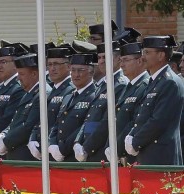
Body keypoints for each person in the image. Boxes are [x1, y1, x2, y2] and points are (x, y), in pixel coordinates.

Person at [125, 35, 184, 165]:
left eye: (147, 52)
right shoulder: (154, 81)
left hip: (162, 156)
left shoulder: (169, 82)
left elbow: (159, 120)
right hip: (148, 153)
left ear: (161, 55)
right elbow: (143, 115)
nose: (143, 57)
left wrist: (136, 142)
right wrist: (132, 134)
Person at [73, 41, 129, 162]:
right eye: (99, 57)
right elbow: (89, 117)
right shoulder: (102, 84)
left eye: (106, 57)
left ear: (119, 59)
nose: (102, 61)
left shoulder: (120, 85)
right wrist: (78, 141)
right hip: (90, 149)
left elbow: (107, 121)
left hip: (100, 150)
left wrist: (87, 148)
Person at [0, 54, 52, 160]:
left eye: (22, 74)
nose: (18, 78)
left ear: (34, 74)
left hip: (26, 157)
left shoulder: (42, 93)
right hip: (16, 155)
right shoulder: (28, 93)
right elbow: (16, 120)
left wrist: (6, 142)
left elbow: (29, 125)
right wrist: (4, 134)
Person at [27, 45, 75, 160]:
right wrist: (33, 138)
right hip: (44, 151)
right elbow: (41, 119)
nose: (52, 68)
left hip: (59, 151)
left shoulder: (71, 90)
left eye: (57, 64)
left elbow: (62, 123)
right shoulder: (52, 89)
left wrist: (50, 143)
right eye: (50, 64)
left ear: (68, 66)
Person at [48, 53, 97, 162]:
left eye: (80, 70)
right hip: (59, 157)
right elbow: (57, 124)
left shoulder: (94, 96)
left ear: (91, 72)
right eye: (73, 70)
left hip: (76, 156)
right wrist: (52, 144)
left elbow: (85, 126)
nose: (76, 75)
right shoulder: (68, 96)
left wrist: (62, 150)